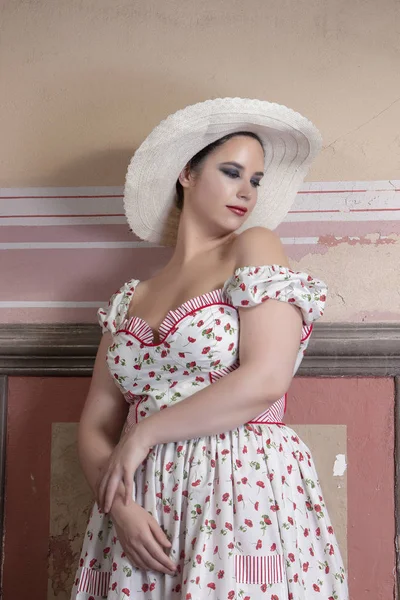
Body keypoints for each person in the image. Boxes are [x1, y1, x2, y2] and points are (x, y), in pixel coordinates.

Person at [71, 98, 348, 599]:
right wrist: (121, 509)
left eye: (256, 180)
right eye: (231, 172)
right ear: (187, 175)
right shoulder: (129, 298)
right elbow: (95, 424)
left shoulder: (254, 247)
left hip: (240, 486)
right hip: (141, 500)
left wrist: (143, 435)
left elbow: (266, 379)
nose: (247, 192)